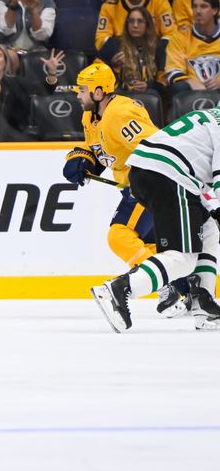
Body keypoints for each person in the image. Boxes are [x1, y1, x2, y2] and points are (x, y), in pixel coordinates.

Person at [63, 62, 190, 320]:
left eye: (83, 90)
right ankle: (185, 290)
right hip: (138, 187)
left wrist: (155, 188)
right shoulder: (91, 116)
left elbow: (158, 148)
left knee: (119, 236)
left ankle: (169, 285)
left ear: (99, 92)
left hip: (152, 185)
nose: (78, 95)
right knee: (154, 246)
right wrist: (83, 158)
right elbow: (101, 151)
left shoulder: (121, 114)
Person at [92, 107, 220, 331]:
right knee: (183, 258)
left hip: (152, 171)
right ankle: (119, 288)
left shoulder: (212, 116)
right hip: (170, 175)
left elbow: (207, 183)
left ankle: (204, 304)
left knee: (208, 226)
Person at [95, 0, 176, 53]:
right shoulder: (109, 6)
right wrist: (125, 51)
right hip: (120, 59)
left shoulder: (160, 3)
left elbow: (172, 35)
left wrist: (153, 52)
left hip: (152, 58)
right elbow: (100, 39)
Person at [99, 7, 168, 97]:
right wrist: (112, 67)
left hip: (148, 97)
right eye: (131, 21)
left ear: (147, 25)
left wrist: (148, 86)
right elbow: (96, 74)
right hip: (119, 96)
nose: (135, 25)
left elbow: (164, 85)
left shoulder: (158, 48)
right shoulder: (112, 45)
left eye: (140, 21)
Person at [165, 0, 220, 94]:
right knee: (179, 87)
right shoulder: (179, 37)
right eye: (195, 6)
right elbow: (173, 70)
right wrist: (190, 82)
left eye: (203, 6)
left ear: (215, 10)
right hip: (192, 93)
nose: (198, 11)